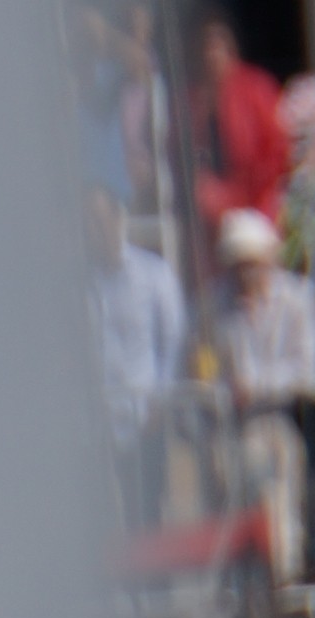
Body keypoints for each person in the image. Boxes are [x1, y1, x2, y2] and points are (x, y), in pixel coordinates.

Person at [214, 207, 315, 571]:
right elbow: (203, 363)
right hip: (229, 427)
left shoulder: (298, 298)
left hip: (282, 420)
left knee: (280, 508)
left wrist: (258, 386)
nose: (245, 272)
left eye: (252, 262)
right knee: (231, 515)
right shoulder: (214, 303)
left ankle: (284, 584)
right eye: (237, 264)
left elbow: (310, 366)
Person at [84, 185, 186, 510]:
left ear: (117, 218)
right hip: (101, 422)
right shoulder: (82, 284)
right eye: (87, 224)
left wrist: (161, 400)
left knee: (146, 509)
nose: (95, 231)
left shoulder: (153, 274)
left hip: (145, 418)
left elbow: (174, 342)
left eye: (99, 221)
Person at [191, 12, 292, 233]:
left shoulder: (257, 87)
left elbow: (277, 151)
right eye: (206, 46)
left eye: (217, 44)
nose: (211, 53)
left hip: (259, 205)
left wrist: (240, 200)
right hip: (210, 215)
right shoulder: (191, 101)